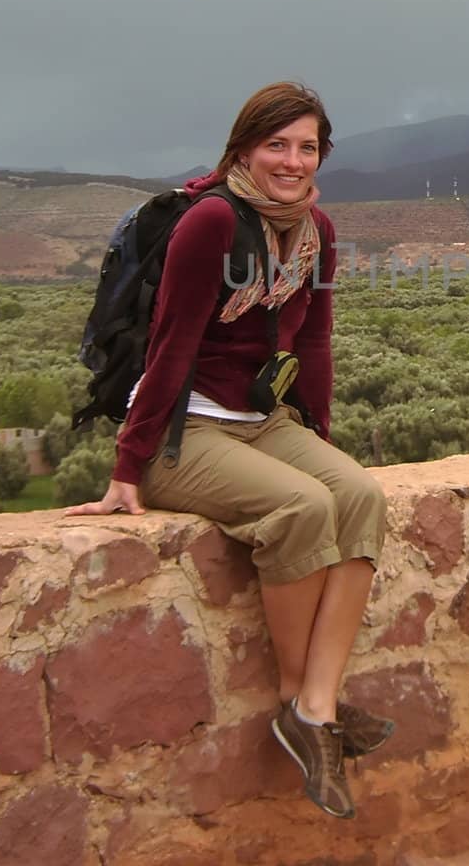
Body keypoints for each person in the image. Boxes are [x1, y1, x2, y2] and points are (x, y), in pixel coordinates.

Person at [65, 81, 389, 820]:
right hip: (188, 429)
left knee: (359, 494)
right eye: (277, 144)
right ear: (244, 147)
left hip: (263, 418)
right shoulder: (211, 222)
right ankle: (297, 706)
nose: (292, 160)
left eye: (307, 147)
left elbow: (313, 340)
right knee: (302, 507)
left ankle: (315, 706)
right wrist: (128, 464)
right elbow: (170, 344)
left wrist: (319, 438)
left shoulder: (317, 233)